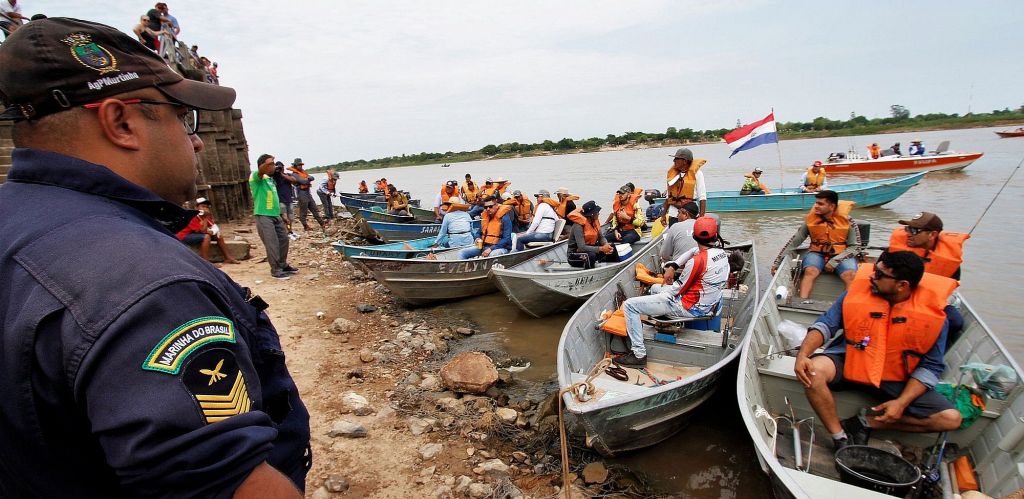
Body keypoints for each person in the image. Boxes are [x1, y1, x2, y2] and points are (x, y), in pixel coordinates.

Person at [0, 18, 309, 496]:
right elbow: (220, 480)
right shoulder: (144, 280)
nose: (198, 140)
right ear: (121, 122)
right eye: (182, 117)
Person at [794, 251, 962, 451]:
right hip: (851, 360)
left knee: (950, 419)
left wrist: (901, 402)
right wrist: (803, 354)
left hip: (897, 378)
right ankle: (840, 437)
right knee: (812, 371)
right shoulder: (855, 294)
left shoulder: (935, 318)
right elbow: (826, 325)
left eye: (880, 275)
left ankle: (865, 423)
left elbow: (931, 366)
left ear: (902, 285)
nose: (872, 276)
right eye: (874, 270)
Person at [617, 217, 729, 366]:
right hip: (709, 304)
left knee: (631, 305)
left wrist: (659, 295)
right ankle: (659, 317)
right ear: (715, 236)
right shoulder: (720, 253)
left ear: (694, 237)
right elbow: (692, 250)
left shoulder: (696, 262)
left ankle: (639, 354)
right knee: (655, 289)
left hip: (688, 308)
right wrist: (673, 265)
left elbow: (675, 291)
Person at [887, 211, 970, 338]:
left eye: (915, 230)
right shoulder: (896, 251)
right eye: (908, 228)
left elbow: (951, 291)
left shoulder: (950, 261)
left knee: (954, 322)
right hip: (898, 296)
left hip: (929, 300)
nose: (908, 233)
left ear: (932, 234)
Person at [775, 190, 861, 299]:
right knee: (810, 271)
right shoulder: (810, 220)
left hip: (841, 254)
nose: (816, 206)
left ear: (832, 206)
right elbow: (793, 242)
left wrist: (834, 262)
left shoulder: (849, 221)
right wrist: (777, 262)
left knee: (850, 275)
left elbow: (856, 247)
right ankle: (802, 302)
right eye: (816, 203)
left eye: (820, 204)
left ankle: (845, 306)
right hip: (816, 253)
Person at [253, 155, 300, 280]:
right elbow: (260, 171)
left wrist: (282, 214)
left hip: (275, 214)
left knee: (284, 239)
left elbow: (273, 198)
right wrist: (267, 163)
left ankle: (283, 265)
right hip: (263, 215)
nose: (273, 166)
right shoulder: (256, 178)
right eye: (271, 164)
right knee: (272, 243)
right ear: (262, 165)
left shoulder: (270, 180)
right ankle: (275, 270)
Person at [177, 197, 240, 264]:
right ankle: (206, 262)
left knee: (219, 236)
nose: (205, 209)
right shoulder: (193, 216)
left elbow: (214, 226)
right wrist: (205, 219)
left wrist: (212, 231)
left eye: (207, 207)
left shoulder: (205, 216)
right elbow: (203, 231)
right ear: (196, 207)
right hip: (184, 236)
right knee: (206, 237)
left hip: (195, 233)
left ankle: (228, 257)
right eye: (203, 206)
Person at [662, 148, 707, 226]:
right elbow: (668, 197)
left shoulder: (697, 174)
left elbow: (702, 197)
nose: (674, 161)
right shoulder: (673, 175)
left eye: (676, 158)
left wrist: (701, 216)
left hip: (690, 215)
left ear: (685, 161)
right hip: (673, 215)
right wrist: (663, 215)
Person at [566, 201, 616, 269]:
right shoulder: (578, 226)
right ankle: (589, 272)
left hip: (589, 249)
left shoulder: (594, 222)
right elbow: (581, 247)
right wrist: (601, 249)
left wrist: (606, 244)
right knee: (590, 255)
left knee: (611, 247)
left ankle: (612, 268)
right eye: (597, 212)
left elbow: (601, 237)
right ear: (591, 214)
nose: (598, 213)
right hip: (574, 255)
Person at [287, 158, 326, 231]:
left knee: (314, 208)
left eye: (301, 165)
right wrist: (307, 179)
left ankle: (322, 223)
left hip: (308, 192)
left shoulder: (303, 173)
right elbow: (303, 181)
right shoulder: (294, 174)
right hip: (301, 193)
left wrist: (307, 179)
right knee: (303, 211)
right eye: (299, 165)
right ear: (295, 166)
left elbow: (312, 178)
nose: (300, 166)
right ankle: (305, 226)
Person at [272, 160, 298, 238]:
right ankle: (284, 232)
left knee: (290, 218)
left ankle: (290, 231)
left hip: (289, 200)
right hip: (280, 201)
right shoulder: (274, 177)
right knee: (284, 218)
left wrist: (282, 174)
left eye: (281, 167)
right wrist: (277, 173)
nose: (280, 168)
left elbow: (294, 180)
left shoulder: (287, 175)